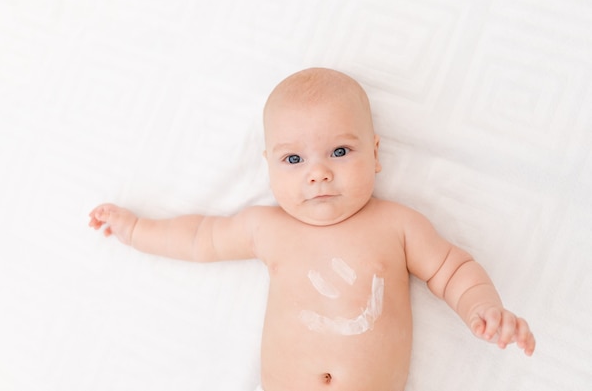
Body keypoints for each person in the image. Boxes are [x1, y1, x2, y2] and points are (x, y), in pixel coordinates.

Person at [88, 68, 535, 391]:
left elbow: (453, 270)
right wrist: (134, 228)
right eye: (294, 160)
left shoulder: (397, 225)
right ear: (269, 167)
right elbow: (197, 238)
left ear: (375, 154)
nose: (318, 174)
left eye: (339, 151)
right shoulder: (268, 227)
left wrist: (484, 308)